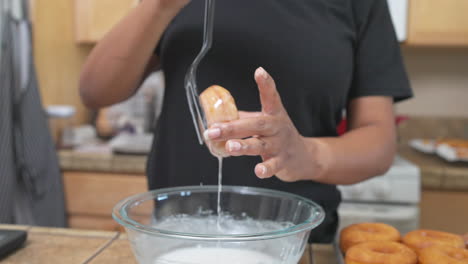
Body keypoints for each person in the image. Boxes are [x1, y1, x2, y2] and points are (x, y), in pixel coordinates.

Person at [79, 0, 412, 243]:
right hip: (178, 236)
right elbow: (95, 91)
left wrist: (308, 154)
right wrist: (159, 6)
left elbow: (378, 141)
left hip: (294, 242)